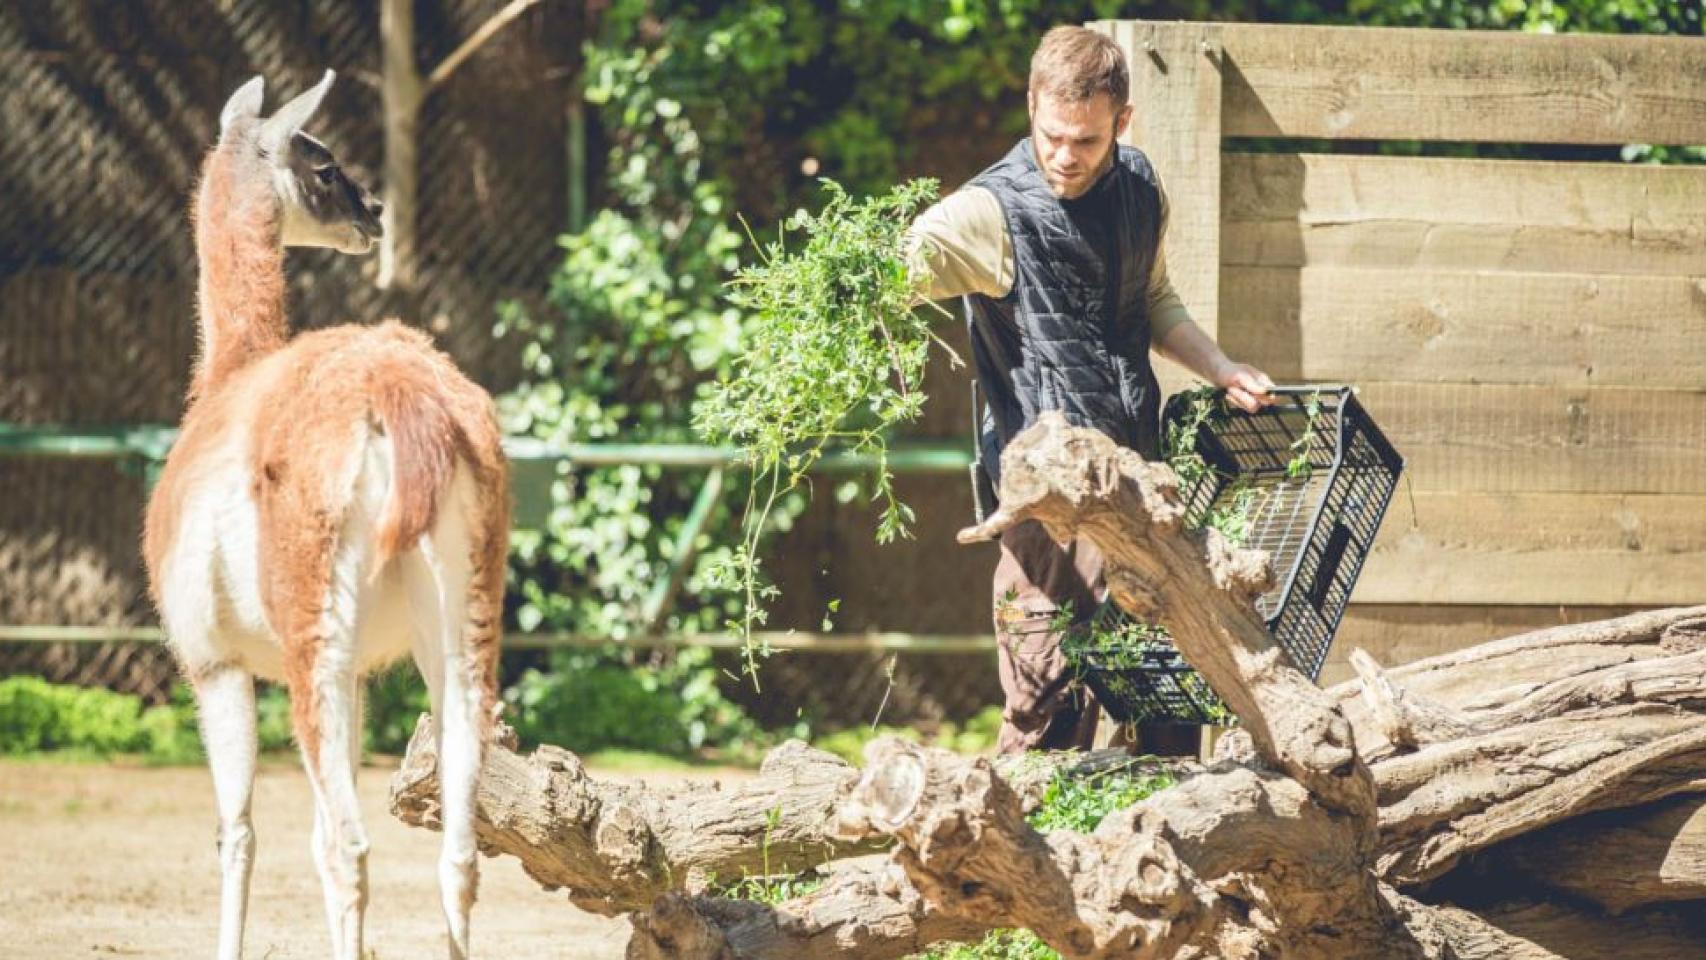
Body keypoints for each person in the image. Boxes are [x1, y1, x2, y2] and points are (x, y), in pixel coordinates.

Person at [904, 25, 1274, 754]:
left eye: (1087, 141)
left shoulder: (1139, 188)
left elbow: (1154, 301)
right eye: (1051, 136)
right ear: (1032, 104)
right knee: (1050, 714)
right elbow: (897, 267)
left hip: (1139, 486)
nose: (1064, 157)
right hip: (1049, 512)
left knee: (1168, 700)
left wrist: (1221, 368)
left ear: (1122, 124)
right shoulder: (988, 214)